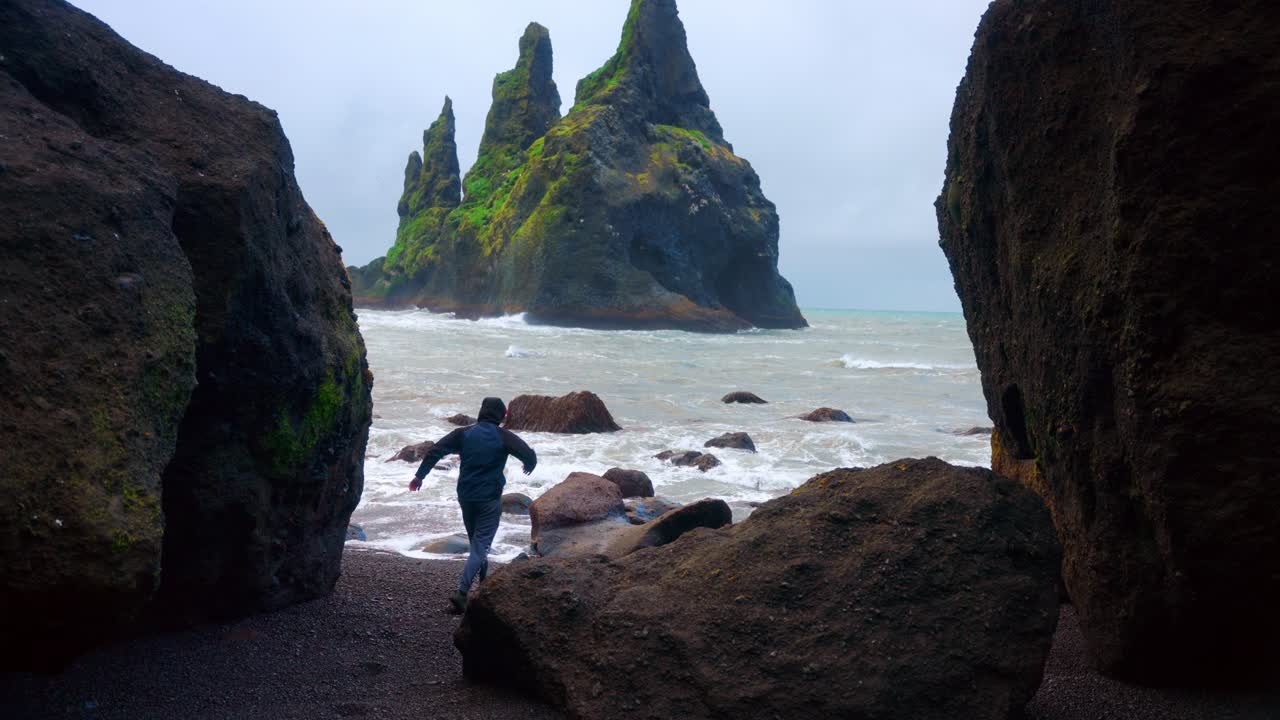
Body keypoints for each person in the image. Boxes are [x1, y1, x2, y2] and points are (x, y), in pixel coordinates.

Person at [409, 396, 535, 613]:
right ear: (501, 415)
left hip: (466, 497)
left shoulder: (463, 433)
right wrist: (529, 465)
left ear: (481, 412)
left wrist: (420, 476)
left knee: (477, 543)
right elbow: (529, 454)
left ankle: (483, 587)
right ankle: (461, 593)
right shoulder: (503, 436)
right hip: (489, 500)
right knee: (480, 546)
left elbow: (435, 450)